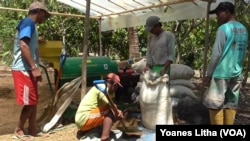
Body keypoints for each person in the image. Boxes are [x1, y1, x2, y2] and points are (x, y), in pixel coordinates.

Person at [202, 2, 248, 125]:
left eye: (218, 14)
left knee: (214, 104)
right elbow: (242, 53)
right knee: (230, 104)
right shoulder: (243, 29)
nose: (217, 17)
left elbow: (217, 54)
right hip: (236, 73)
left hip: (221, 74)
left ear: (226, 12)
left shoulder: (223, 29)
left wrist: (209, 74)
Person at [11, 1, 51, 140]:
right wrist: (34, 68)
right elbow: (23, 45)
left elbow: (24, 40)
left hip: (28, 68)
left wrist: (36, 40)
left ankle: (32, 128)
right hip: (24, 69)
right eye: (44, 15)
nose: (45, 19)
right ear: (39, 11)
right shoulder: (28, 23)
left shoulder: (30, 25)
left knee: (33, 100)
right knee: (30, 102)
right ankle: (19, 130)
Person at [75, 73, 124, 141]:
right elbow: (111, 105)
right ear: (114, 85)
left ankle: (87, 131)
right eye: (117, 87)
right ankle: (105, 138)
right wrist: (117, 111)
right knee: (111, 111)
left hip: (83, 120)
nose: (116, 90)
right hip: (84, 118)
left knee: (107, 111)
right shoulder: (102, 88)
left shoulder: (101, 88)